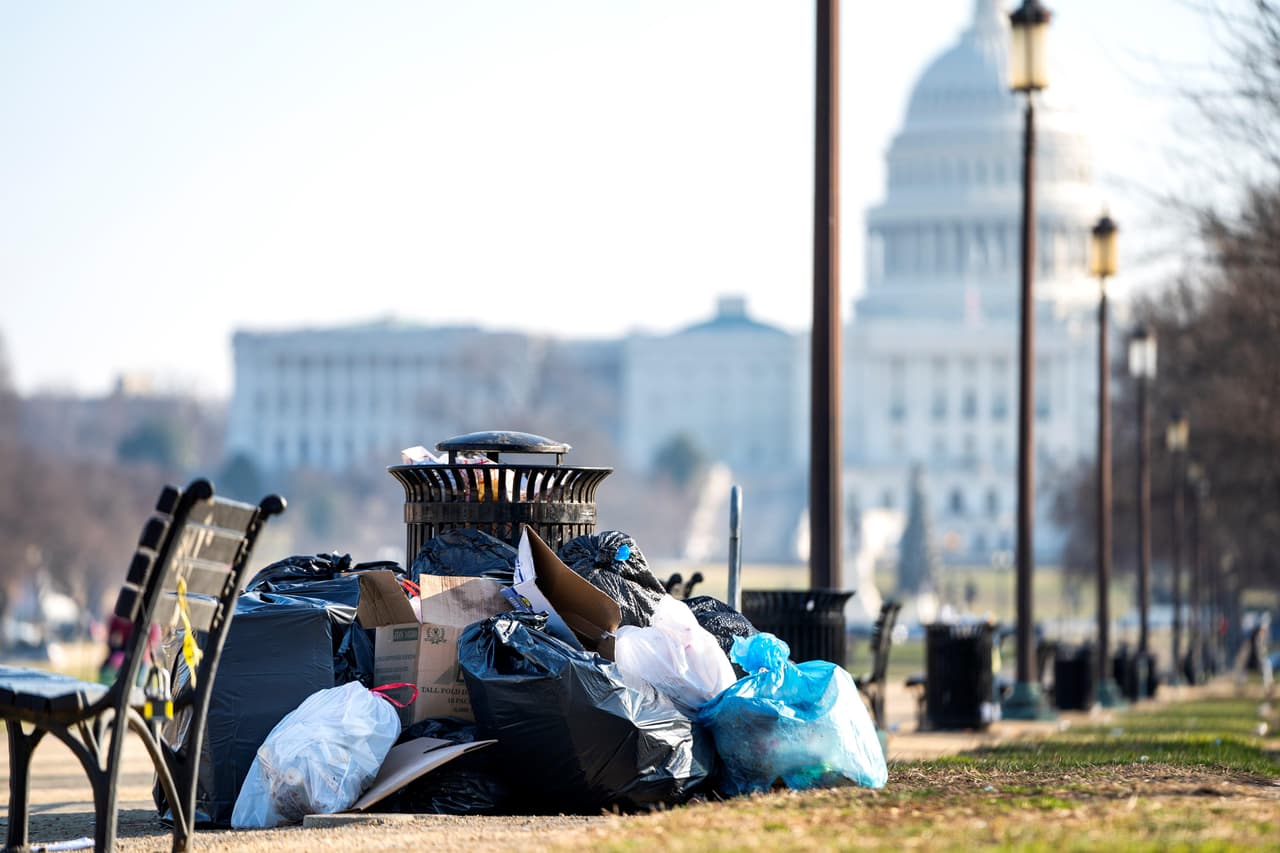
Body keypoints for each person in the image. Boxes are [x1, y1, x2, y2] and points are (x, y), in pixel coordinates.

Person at [1233, 612, 1273, 695]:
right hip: (1251, 656)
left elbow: (1261, 651)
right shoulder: (1251, 637)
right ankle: (1239, 688)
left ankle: (1268, 688)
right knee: (1241, 665)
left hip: (1256, 658)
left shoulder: (1259, 635)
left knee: (1267, 665)